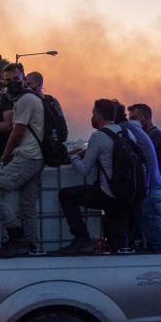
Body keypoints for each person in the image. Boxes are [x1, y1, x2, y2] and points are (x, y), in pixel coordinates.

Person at [0, 64, 45, 256]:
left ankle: (16, 236)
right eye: (8, 80)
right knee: (27, 206)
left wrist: (5, 156)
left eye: (15, 79)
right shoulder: (32, 98)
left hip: (27, 156)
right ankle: (31, 245)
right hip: (37, 157)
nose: (12, 83)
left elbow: (17, 131)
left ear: (24, 78)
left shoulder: (26, 100)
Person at [57, 99, 131, 254]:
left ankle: (82, 238)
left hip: (107, 193)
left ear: (98, 114)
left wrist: (74, 157)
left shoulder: (98, 136)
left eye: (93, 113)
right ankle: (121, 256)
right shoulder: (126, 132)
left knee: (66, 195)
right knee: (118, 234)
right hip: (126, 193)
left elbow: (84, 170)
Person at [117, 103, 161, 251]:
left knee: (159, 237)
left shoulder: (154, 135)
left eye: (134, 118)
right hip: (157, 188)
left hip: (158, 189)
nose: (132, 121)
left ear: (146, 118)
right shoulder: (145, 134)